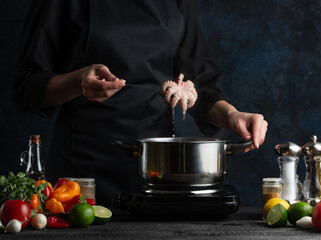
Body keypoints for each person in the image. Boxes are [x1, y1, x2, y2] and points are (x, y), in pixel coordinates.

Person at [12, 0, 268, 206]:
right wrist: (77, 81)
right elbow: (26, 87)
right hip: (83, 170)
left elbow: (200, 86)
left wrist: (232, 115)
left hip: (158, 172)